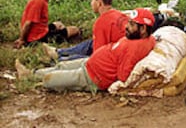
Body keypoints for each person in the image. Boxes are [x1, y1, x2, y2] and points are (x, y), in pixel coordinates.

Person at [15, 8, 156, 93]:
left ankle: (30, 76)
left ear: (143, 29)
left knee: (52, 79)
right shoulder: (144, 38)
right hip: (90, 63)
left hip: (93, 77)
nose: (126, 26)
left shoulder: (135, 48)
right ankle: (31, 73)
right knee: (61, 66)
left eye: (131, 24)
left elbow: (124, 76)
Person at [43, 0, 129, 61]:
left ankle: (59, 59)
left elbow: (97, 56)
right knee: (91, 43)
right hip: (121, 49)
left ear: (99, 3)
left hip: (114, 57)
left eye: (92, 0)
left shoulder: (101, 22)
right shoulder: (119, 14)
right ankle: (59, 52)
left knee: (89, 58)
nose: (91, 4)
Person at [14, 0, 80, 49]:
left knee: (58, 24)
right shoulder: (38, 1)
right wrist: (22, 40)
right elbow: (28, 23)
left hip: (41, 30)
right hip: (38, 38)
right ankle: (63, 40)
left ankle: (62, 37)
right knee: (75, 30)